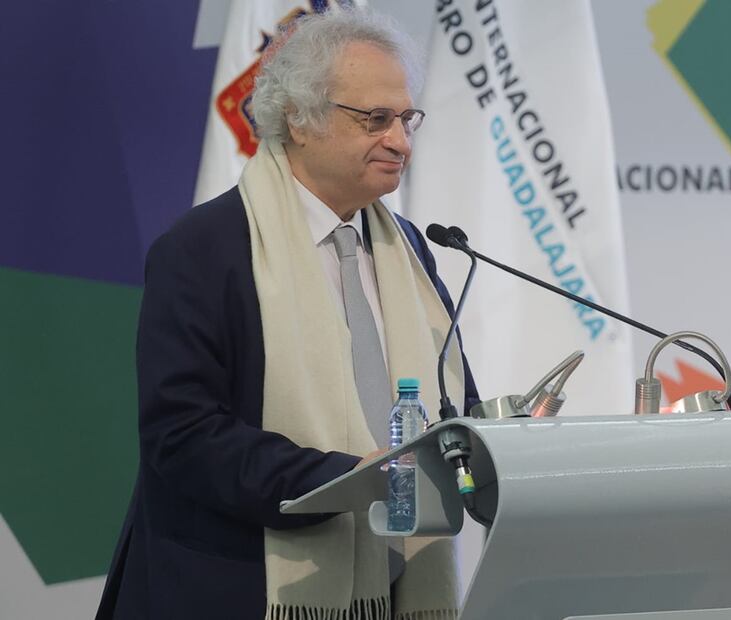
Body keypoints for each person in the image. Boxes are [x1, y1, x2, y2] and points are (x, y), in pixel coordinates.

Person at [96, 8, 479, 619]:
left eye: (407, 118)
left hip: (397, 585)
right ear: (298, 119)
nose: (401, 141)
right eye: (375, 119)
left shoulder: (410, 246)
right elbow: (182, 437)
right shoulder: (203, 249)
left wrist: (498, 440)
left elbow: (450, 411)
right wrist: (344, 479)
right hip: (238, 590)